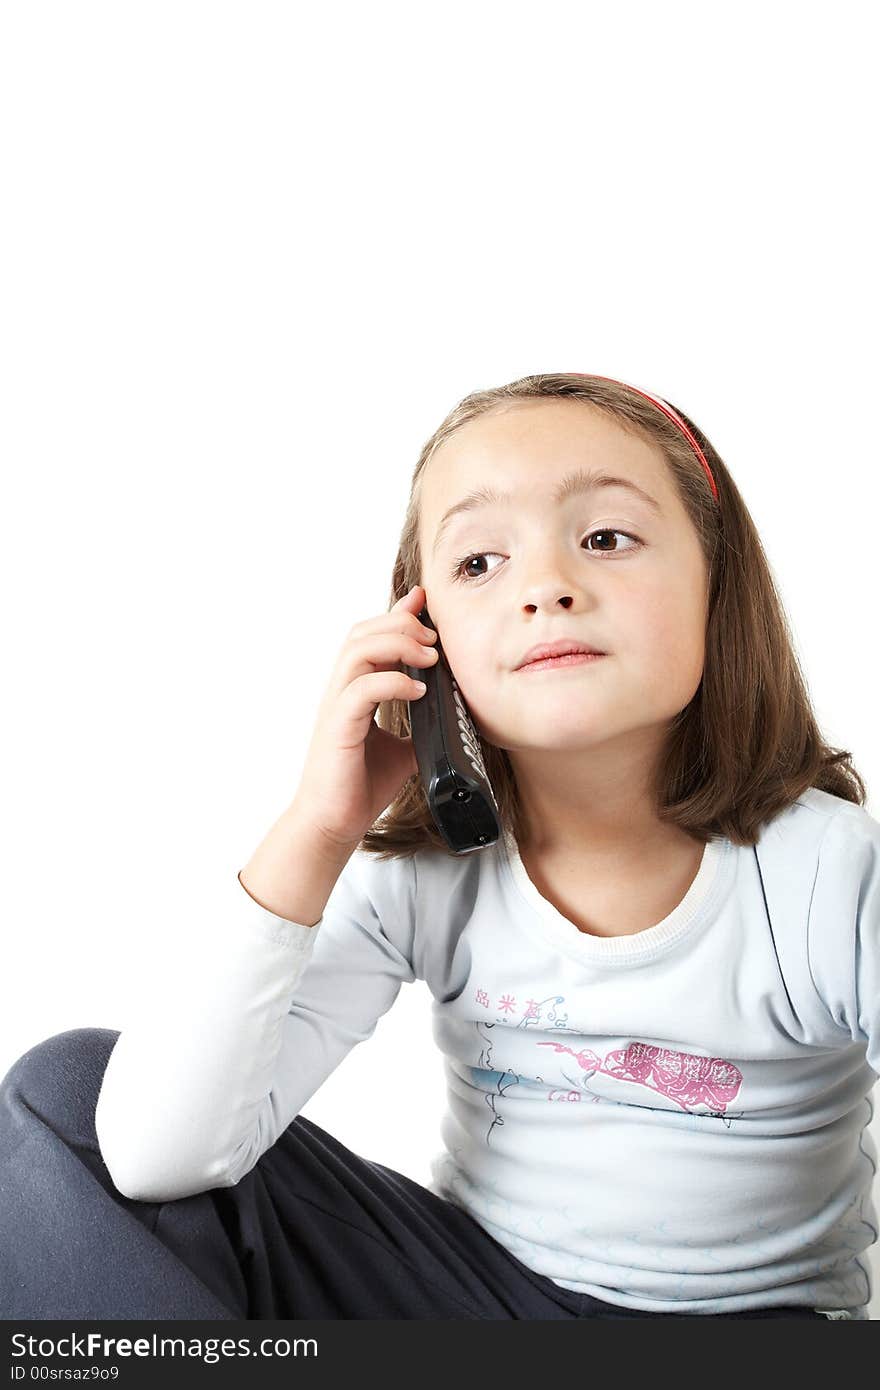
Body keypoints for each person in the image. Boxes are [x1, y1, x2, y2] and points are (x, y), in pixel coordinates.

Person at [1, 372, 876, 1321]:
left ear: (718, 583)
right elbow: (157, 1157)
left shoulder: (823, 872)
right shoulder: (421, 874)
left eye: (605, 538)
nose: (547, 587)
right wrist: (318, 827)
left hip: (755, 1331)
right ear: (425, 640)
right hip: (474, 1304)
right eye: (478, 564)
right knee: (73, 1096)